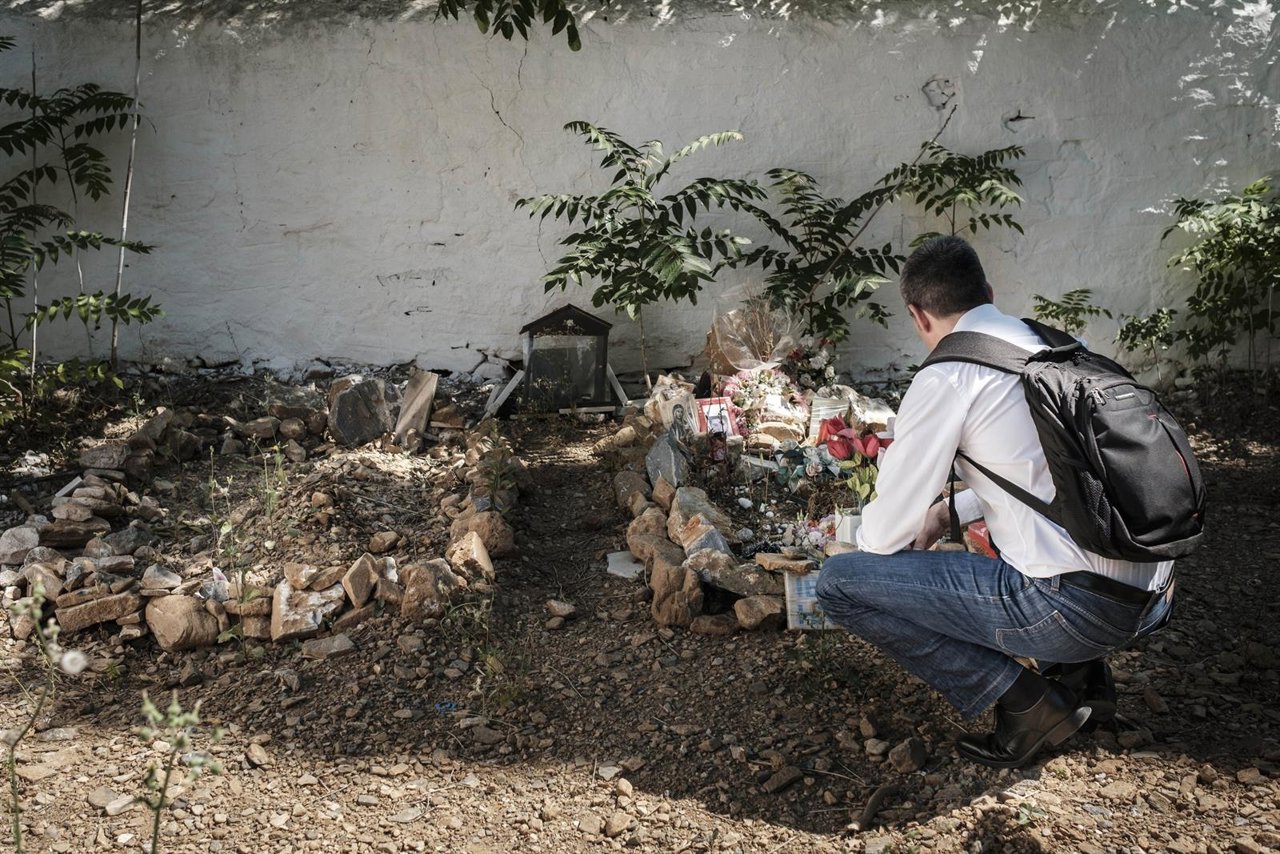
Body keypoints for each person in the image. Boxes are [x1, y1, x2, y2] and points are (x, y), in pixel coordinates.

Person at [816, 236, 1175, 769]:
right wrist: (949, 512)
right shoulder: (1059, 347)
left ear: (918, 315)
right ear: (988, 291)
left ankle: (1026, 703)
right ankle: (1082, 679)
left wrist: (872, 542)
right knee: (1022, 540)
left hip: (1073, 612)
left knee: (840, 584)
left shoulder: (949, 375)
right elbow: (1053, 480)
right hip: (1153, 596)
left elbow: (884, 534)